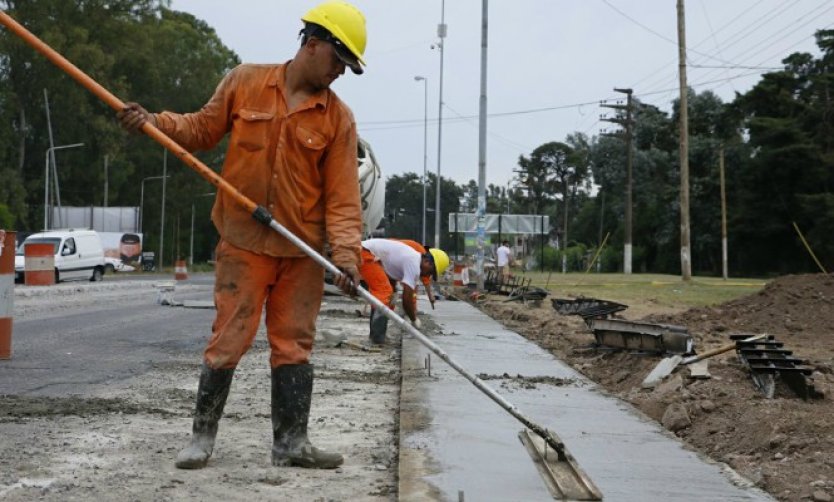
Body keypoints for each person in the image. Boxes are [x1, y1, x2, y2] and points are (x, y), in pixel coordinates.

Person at [117, 0, 368, 471]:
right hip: (243, 242)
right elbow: (199, 128)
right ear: (312, 45)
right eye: (338, 60)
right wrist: (155, 122)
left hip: (301, 252)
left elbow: (343, 199)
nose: (339, 72)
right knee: (229, 338)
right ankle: (201, 438)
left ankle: (291, 443)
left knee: (294, 344)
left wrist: (348, 258)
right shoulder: (245, 82)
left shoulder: (338, 119)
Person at [359, 239, 448, 344]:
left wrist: (394, 293)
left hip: (369, 254)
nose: (428, 275)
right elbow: (407, 300)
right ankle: (377, 338)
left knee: (387, 295)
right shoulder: (414, 263)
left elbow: (390, 273)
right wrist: (414, 320)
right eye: (430, 272)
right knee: (384, 292)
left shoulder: (414, 260)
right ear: (427, 262)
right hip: (365, 253)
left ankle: (376, 335)